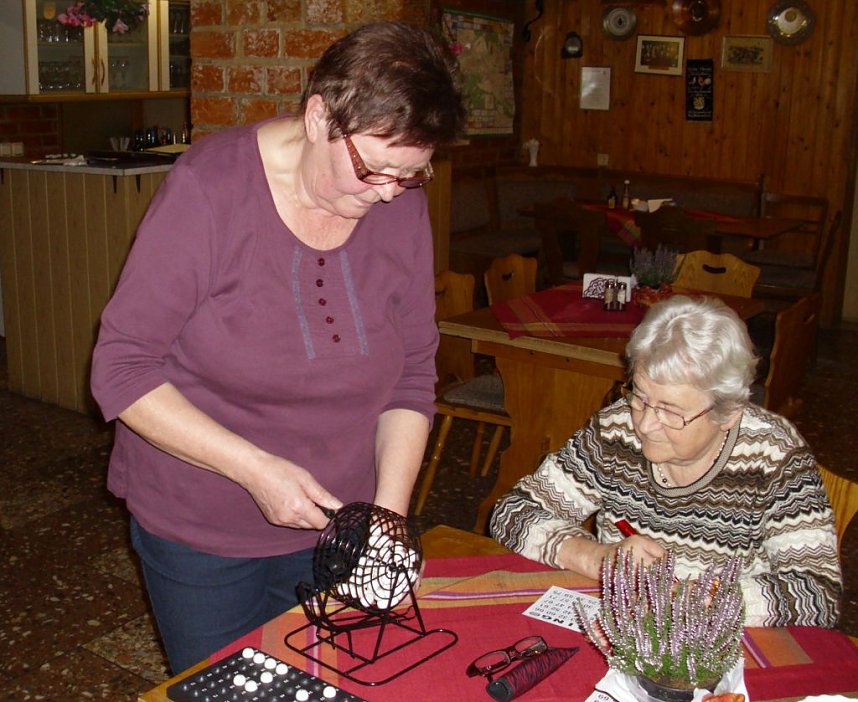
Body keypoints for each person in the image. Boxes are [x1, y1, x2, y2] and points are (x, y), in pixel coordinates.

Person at [90, 21, 466, 673]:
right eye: (373, 169)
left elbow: (410, 375)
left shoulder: (398, 204)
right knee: (229, 687)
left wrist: (386, 516)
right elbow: (121, 370)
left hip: (339, 518)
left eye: (411, 175)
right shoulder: (211, 188)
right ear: (319, 115)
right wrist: (255, 470)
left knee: (330, 685)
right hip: (202, 527)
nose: (387, 193)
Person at [490, 295, 842, 627]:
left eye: (671, 411)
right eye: (640, 398)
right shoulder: (617, 431)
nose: (644, 424)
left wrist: (694, 599)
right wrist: (597, 558)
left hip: (725, 647)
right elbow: (512, 515)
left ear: (728, 412)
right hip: (626, 631)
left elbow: (816, 594)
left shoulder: (774, 456)